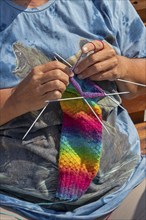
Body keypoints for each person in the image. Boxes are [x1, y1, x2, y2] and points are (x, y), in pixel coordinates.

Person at [0, 0, 146, 219]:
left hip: (124, 187)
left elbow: (140, 76)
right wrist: (14, 100)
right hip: (18, 205)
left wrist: (121, 67)